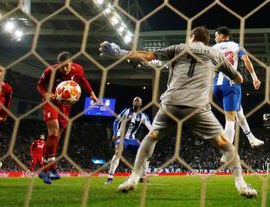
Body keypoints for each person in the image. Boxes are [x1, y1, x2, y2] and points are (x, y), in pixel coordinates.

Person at [99, 26, 257, 197]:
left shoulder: (179, 48)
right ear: (207, 41)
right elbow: (239, 78)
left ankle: (133, 178)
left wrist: (120, 52)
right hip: (198, 108)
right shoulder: (214, 54)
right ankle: (241, 185)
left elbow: (148, 56)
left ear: (192, 37)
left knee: (151, 137)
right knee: (226, 145)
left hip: (171, 105)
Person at [37, 51, 98, 184]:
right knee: (53, 132)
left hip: (65, 105)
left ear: (72, 63)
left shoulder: (78, 69)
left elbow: (83, 80)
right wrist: (46, 93)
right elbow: (40, 85)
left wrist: (91, 93)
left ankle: (45, 170)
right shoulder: (49, 71)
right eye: (61, 66)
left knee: (57, 135)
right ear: (57, 64)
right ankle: (51, 168)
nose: (64, 69)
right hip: (51, 103)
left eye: (67, 66)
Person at [213, 26, 263, 154]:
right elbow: (246, 59)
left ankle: (251, 138)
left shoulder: (213, 48)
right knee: (230, 118)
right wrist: (255, 78)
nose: (215, 38)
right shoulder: (236, 46)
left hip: (216, 86)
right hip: (230, 84)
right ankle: (227, 153)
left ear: (223, 36)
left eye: (216, 35)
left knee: (238, 111)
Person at [105, 97, 152, 184]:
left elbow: (151, 128)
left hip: (131, 139)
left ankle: (142, 176)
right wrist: (115, 134)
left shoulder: (143, 116)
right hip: (121, 137)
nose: (136, 101)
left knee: (147, 152)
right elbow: (116, 121)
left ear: (141, 104)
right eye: (135, 100)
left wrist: (155, 135)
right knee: (118, 152)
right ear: (132, 102)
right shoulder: (126, 111)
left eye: (138, 100)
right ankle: (110, 177)